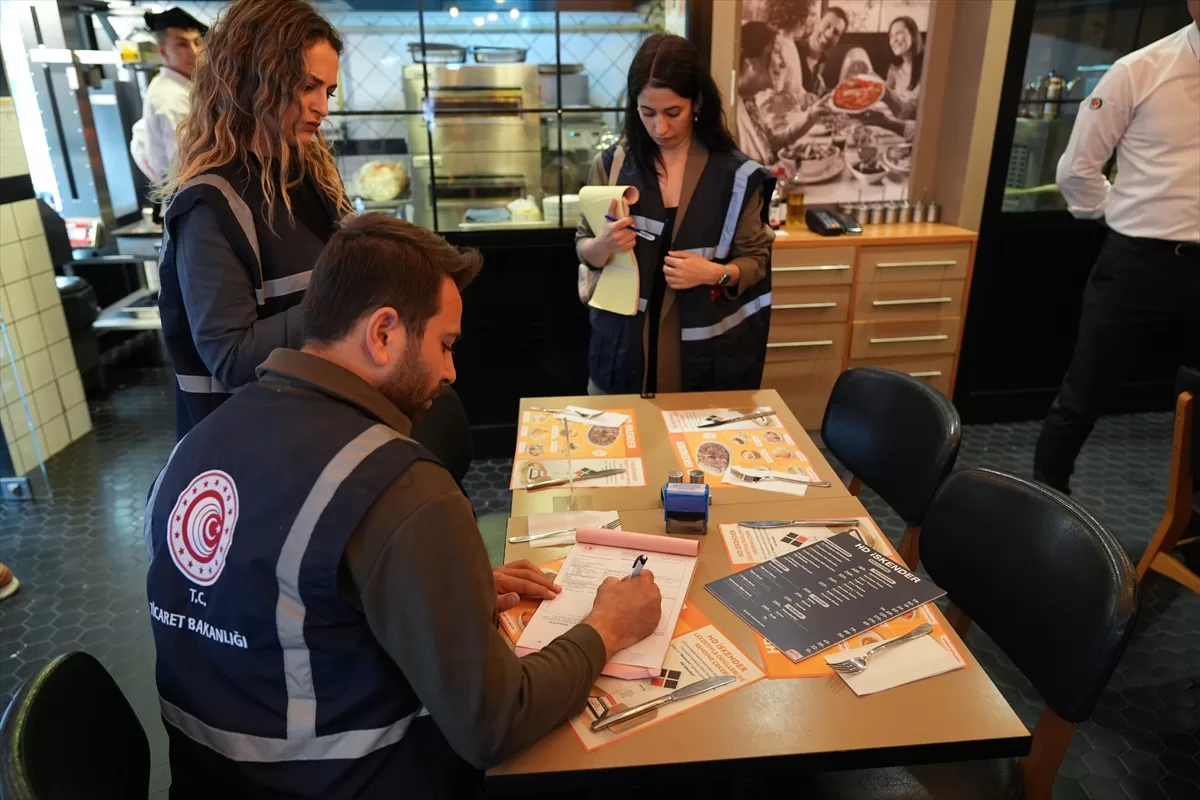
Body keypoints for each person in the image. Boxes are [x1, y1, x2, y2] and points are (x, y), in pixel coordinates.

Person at [145, 213, 663, 799]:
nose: (450, 371)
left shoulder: (192, 450)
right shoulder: (402, 487)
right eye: (445, 344)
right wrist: (607, 627)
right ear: (384, 333)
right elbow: (495, 723)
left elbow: (269, 605)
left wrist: (419, 589)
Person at [156, 0, 351, 439]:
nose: (322, 107)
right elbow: (230, 357)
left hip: (316, 422)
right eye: (307, 86)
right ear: (252, 79)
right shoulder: (209, 204)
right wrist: (346, 302)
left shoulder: (308, 174)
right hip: (259, 442)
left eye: (328, 91)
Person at [1033, 7, 1200, 494]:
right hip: (1138, 263)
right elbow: (1077, 170)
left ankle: (1190, 520)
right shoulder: (1140, 69)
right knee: (1084, 392)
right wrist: (1122, 213)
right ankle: (1042, 504)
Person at [577, 34, 775, 396]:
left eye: (673, 113)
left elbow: (757, 261)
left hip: (701, 356)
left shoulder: (736, 176)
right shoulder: (612, 165)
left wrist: (714, 273)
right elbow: (583, 245)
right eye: (647, 113)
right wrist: (602, 246)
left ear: (696, 102)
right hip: (621, 352)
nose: (660, 128)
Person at [129, 8, 207, 185]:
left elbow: (139, 136)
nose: (194, 51)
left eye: (197, 42)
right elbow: (188, 164)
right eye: (182, 44)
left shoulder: (183, 87)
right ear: (163, 51)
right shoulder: (171, 98)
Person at [792, 6, 849, 100]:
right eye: (827, 25)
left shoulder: (822, 62)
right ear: (817, 23)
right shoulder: (793, 48)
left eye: (836, 32)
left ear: (838, 41)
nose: (829, 34)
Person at [882, 15, 923, 121]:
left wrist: (886, 93)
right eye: (891, 36)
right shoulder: (894, 70)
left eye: (899, 33)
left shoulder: (928, 67)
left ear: (913, 34)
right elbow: (886, 105)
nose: (894, 40)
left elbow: (912, 113)